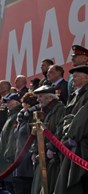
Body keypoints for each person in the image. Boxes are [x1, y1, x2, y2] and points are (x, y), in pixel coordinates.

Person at [54, 65, 88, 193]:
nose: (72, 79)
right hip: (73, 144)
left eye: (76, 76)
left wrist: (70, 137)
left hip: (80, 145)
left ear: (86, 78)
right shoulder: (76, 95)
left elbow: (81, 119)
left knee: (77, 182)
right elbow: (66, 119)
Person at [31, 85, 65, 194]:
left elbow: (60, 130)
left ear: (50, 98)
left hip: (53, 157)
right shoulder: (41, 111)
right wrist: (34, 151)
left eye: (40, 96)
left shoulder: (60, 109)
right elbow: (37, 134)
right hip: (41, 156)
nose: (38, 99)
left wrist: (52, 148)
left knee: (50, 186)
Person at [0, 93, 23, 193]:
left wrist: (9, 156)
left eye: (9, 101)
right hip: (7, 162)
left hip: (10, 162)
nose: (7, 104)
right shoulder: (11, 116)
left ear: (16, 102)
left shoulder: (16, 116)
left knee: (13, 187)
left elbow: (12, 139)